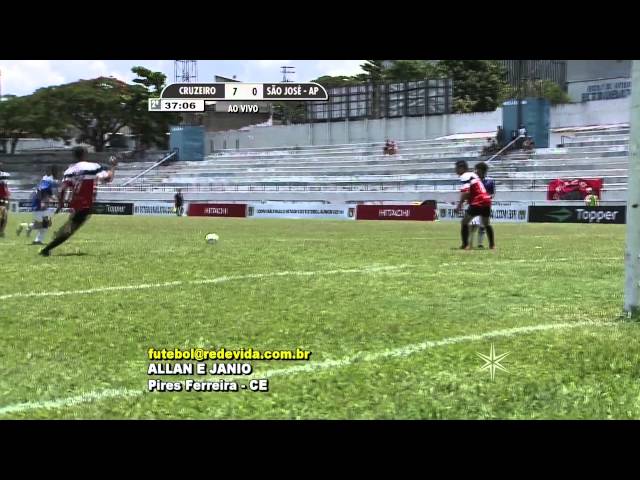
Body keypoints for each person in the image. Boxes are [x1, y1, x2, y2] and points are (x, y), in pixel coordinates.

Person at [39, 147, 117, 257]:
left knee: (72, 224)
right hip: (86, 204)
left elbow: (62, 188)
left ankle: (58, 235)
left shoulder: (69, 170)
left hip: (75, 203)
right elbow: (108, 178)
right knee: (70, 229)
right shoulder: (93, 167)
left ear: (74, 156)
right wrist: (113, 166)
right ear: (85, 154)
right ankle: (47, 249)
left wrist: (61, 203)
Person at [455, 159, 495, 250]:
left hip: (478, 201)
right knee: (486, 223)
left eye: (457, 168)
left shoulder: (465, 176)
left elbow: (466, 192)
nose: (455, 170)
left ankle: (465, 245)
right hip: (486, 200)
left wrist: (459, 205)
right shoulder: (473, 175)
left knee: (464, 222)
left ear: (462, 168)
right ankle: (492, 245)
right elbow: (472, 190)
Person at [16, 167, 59, 244]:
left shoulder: (44, 182)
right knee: (45, 224)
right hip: (39, 208)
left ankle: (38, 240)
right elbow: (43, 194)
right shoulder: (48, 183)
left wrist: (53, 199)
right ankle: (27, 227)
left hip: (38, 207)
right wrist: (43, 202)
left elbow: (48, 195)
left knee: (45, 224)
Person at [471, 162, 496, 248]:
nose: (475, 171)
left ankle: (481, 244)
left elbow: (492, 193)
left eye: (477, 170)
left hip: (485, 205)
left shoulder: (490, 181)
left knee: (484, 225)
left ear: (482, 171)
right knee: (474, 224)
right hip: (476, 205)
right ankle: (469, 243)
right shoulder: (474, 181)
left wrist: (488, 197)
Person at [0, 170, 10, 238]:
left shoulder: (5, 174)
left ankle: (2, 231)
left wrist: (7, 198)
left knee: (5, 215)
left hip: (3, 197)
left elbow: (6, 189)